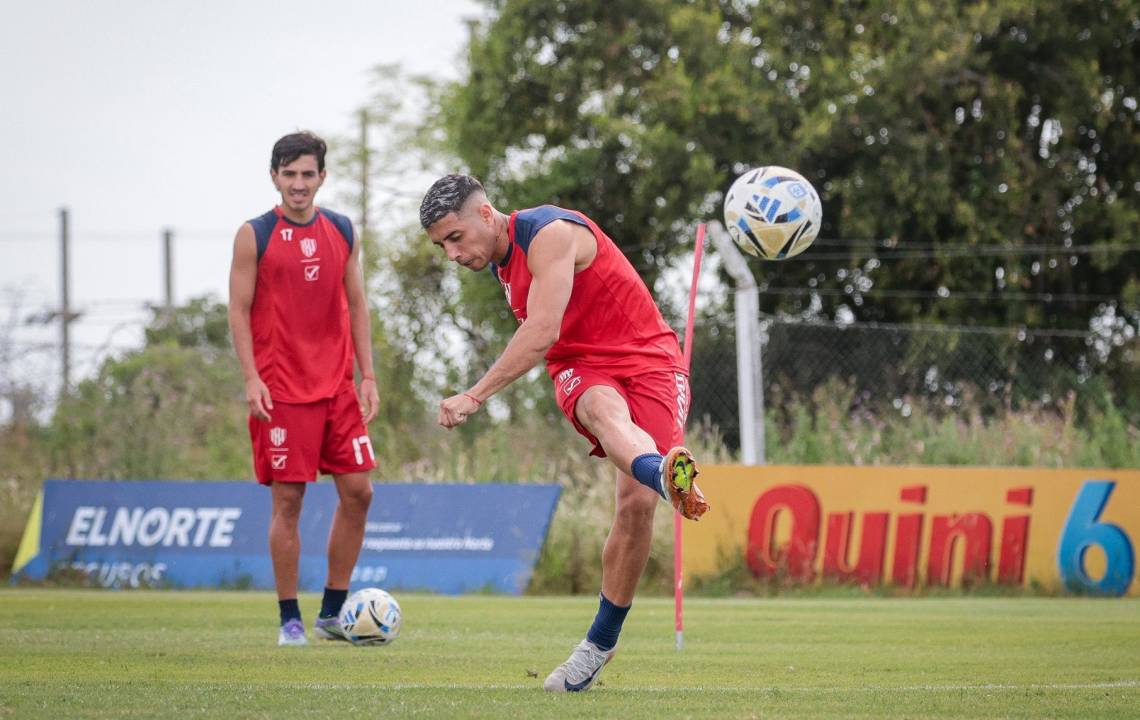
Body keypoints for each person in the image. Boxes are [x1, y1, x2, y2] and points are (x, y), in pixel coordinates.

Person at [419, 174, 710, 691]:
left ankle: (602, 636)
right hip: (582, 366)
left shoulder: (549, 232)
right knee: (601, 409)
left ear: (486, 215)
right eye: (442, 245)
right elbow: (558, 342)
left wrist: (475, 394)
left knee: (634, 506)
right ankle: (661, 479)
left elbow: (542, 329)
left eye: (454, 237)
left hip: (652, 362)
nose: (451, 254)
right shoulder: (499, 263)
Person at [228, 132, 379, 646]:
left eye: (307, 174)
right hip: (283, 391)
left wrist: (368, 375)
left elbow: (357, 304)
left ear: (321, 177)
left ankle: (332, 613)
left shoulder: (341, 229)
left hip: (338, 386)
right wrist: (251, 377)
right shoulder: (255, 235)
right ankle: (289, 618)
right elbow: (239, 309)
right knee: (288, 503)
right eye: (288, 174)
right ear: (274, 176)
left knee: (359, 493)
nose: (298, 183)